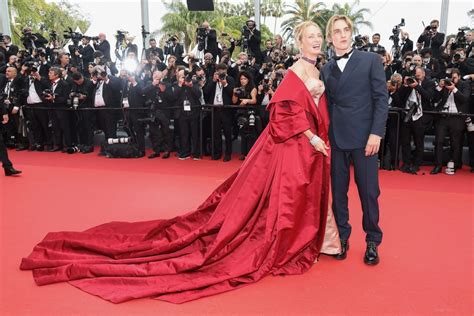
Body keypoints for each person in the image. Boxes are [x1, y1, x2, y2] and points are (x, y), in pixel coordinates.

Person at [21, 21, 341, 304]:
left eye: (317, 36)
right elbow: (283, 112)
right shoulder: (296, 71)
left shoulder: (317, 70)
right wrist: (311, 137)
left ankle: (306, 239)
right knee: (281, 199)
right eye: (309, 36)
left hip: (307, 147)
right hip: (294, 146)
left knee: (299, 195)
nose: (315, 40)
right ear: (300, 43)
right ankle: (288, 242)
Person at [321, 15, 388, 265]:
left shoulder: (370, 60)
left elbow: (382, 99)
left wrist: (376, 133)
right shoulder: (326, 68)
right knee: (338, 193)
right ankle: (342, 237)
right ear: (330, 37)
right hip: (336, 139)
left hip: (364, 138)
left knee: (369, 192)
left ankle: (372, 240)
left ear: (351, 33)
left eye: (345, 30)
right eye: (336, 31)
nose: (342, 35)